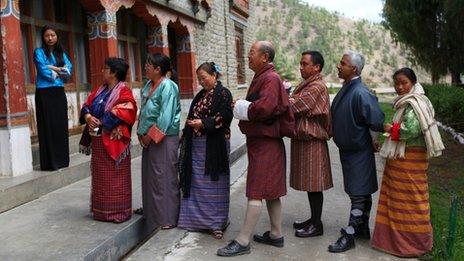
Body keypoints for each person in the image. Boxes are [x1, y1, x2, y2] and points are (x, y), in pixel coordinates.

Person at [217, 41, 295, 257]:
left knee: (256, 190)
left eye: (252, 52)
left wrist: (240, 107)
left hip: (266, 144)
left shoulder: (270, 78)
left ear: (265, 57)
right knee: (271, 191)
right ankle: (276, 234)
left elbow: (265, 107)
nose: (248, 56)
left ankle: (243, 240)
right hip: (264, 142)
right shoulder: (264, 76)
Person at [372, 68, 444, 257]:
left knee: (412, 200)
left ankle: (415, 244)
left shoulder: (416, 102)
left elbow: (410, 129)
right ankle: (393, 242)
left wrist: (389, 128)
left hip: (410, 159)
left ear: (413, 82)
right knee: (397, 200)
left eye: (404, 82)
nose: (400, 87)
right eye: (397, 83)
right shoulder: (410, 101)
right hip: (402, 160)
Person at [328, 50, 385, 253]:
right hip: (349, 150)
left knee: (358, 194)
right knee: (361, 190)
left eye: (342, 63)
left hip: (359, 150)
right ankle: (362, 229)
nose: (338, 65)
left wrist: (374, 138)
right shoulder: (348, 88)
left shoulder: (361, 92)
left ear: (354, 69)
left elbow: (377, 120)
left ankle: (350, 234)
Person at [178, 62, 233, 239]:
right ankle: (194, 221)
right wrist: (186, 131)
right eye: (199, 79)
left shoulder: (223, 94)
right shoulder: (201, 95)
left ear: (214, 75)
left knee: (214, 183)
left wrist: (203, 123)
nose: (201, 82)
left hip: (214, 147)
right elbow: (192, 115)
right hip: (198, 146)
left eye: (204, 78)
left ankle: (215, 223)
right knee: (197, 182)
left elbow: (225, 116)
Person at [79, 57, 137, 223]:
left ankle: (118, 212)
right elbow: (86, 105)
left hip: (113, 140)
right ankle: (101, 211)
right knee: (101, 177)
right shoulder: (100, 90)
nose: (102, 71)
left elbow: (127, 109)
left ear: (114, 73)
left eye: (105, 69)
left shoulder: (124, 91)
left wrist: (102, 122)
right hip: (97, 138)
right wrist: (89, 116)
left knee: (115, 178)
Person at [289, 51, 333, 238]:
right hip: (305, 141)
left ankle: (317, 224)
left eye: (305, 64)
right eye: (300, 63)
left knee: (314, 183)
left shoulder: (315, 87)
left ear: (316, 67)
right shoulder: (307, 85)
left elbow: (296, 106)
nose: (301, 67)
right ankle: (314, 219)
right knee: (309, 182)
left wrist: (290, 100)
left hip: (312, 142)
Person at [136, 53, 181, 229]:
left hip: (163, 138)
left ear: (158, 69)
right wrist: (141, 133)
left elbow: (165, 117)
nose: (145, 67)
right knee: (151, 177)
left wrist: (149, 136)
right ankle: (152, 213)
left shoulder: (169, 87)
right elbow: (145, 111)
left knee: (165, 177)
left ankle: (168, 218)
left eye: (149, 64)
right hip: (147, 138)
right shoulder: (148, 85)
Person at [33, 25, 72, 170]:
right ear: (43, 37)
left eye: (53, 35)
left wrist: (53, 68)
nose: (50, 38)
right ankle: (50, 163)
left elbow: (68, 70)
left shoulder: (62, 53)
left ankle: (62, 160)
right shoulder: (38, 52)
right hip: (44, 92)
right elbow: (43, 70)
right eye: (47, 35)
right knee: (47, 126)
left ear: (57, 37)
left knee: (60, 125)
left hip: (58, 92)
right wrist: (56, 70)